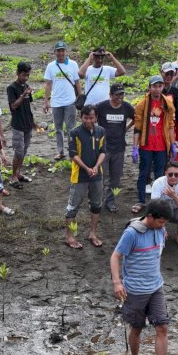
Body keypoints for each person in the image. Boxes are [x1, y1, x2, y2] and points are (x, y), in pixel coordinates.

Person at [110, 198, 178, 355]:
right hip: (134, 290)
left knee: (162, 327)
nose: (163, 226)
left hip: (156, 287)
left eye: (165, 223)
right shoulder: (131, 234)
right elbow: (115, 256)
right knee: (136, 328)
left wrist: (162, 228)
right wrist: (117, 282)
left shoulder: (160, 229)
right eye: (160, 222)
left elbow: (159, 240)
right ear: (150, 217)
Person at [131, 75, 176, 213]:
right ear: (149, 87)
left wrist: (172, 145)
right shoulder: (142, 104)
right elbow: (137, 127)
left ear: (163, 87)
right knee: (143, 172)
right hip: (146, 145)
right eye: (154, 86)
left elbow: (170, 125)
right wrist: (135, 147)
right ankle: (141, 200)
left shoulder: (167, 104)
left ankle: (158, 201)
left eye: (160, 86)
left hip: (161, 145)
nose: (157, 89)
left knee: (160, 174)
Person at [65, 105, 106, 248]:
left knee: (96, 205)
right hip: (79, 176)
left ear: (95, 118)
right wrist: (86, 168)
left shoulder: (101, 131)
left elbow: (102, 151)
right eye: (86, 117)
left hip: (96, 175)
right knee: (73, 206)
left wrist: (95, 167)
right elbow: (73, 154)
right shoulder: (74, 132)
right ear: (81, 117)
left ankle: (93, 233)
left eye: (91, 117)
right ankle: (69, 237)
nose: (88, 120)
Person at [95, 85, 136, 212]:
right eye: (117, 94)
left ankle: (110, 201)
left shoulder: (127, 107)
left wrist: (127, 128)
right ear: (110, 95)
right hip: (104, 148)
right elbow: (90, 117)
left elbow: (136, 119)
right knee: (102, 176)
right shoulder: (101, 107)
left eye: (122, 94)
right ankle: (96, 200)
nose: (120, 97)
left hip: (119, 147)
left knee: (116, 178)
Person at [42, 41, 82, 161]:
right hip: (56, 102)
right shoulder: (51, 66)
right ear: (55, 52)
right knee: (58, 128)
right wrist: (46, 102)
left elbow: (77, 82)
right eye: (58, 51)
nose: (60, 53)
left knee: (71, 128)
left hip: (70, 101)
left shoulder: (73, 64)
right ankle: (60, 151)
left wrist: (80, 98)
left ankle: (72, 152)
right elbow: (48, 84)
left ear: (66, 51)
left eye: (62, 50)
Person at [6, 62, 38, 187]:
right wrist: (23, 94)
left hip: (27, 124)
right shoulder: (11, 88)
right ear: (18, 73)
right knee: (18, 152)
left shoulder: (26, 86)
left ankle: (18, 173)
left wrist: (33, 122)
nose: (25, 78)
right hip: (17, 125)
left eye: (27, 75)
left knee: (24, 151)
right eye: (24, 75)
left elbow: (28, 106)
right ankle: (13, 176)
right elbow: (13, 106)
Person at [149, 162, 178, 248]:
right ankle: (159, 232)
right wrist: (162, 226)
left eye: (176, 174)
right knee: (150, 216)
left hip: (177, 210)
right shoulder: (158, 183)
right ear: (165, 173)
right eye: (170, 174)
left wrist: (174, 196)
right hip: (160, 210)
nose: (173, 177)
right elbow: (154, 206)